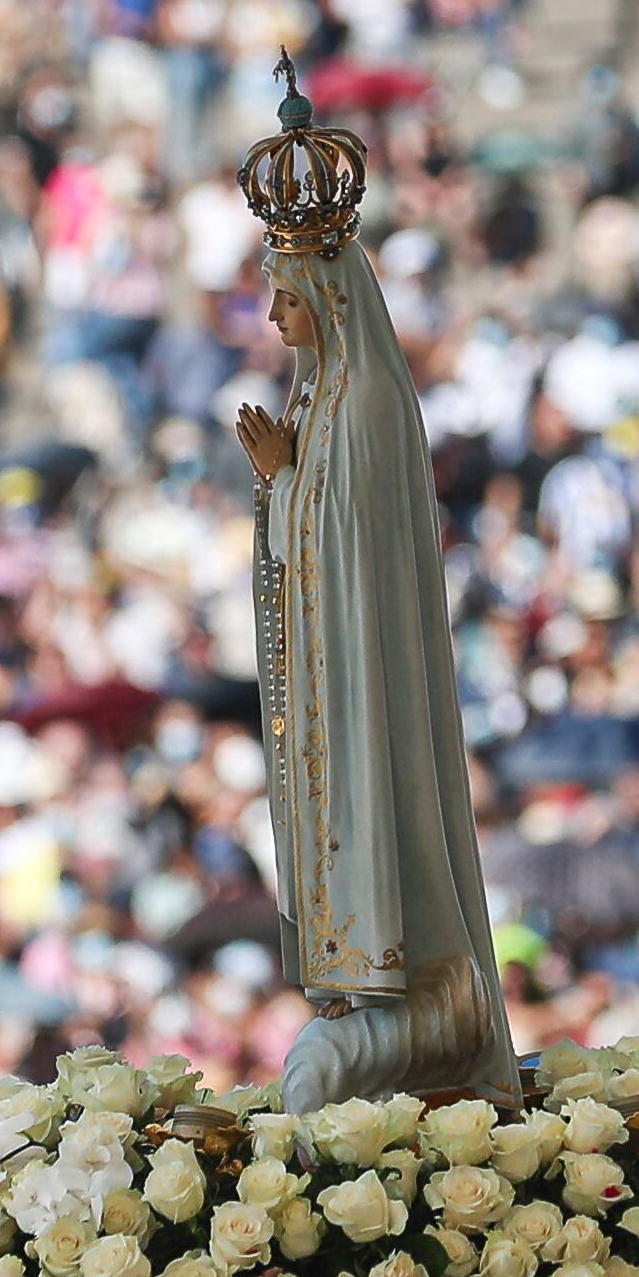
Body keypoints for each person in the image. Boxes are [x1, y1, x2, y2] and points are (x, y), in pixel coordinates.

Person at [231, 65, 519, 1112]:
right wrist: (283, 487)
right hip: (326, 661)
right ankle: (356, 980)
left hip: (357, 664)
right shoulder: (328, 399)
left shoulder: (361, 408)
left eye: (284, 294)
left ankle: (390, 971)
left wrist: (283, 482)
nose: (273, 315)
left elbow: (343, 541)